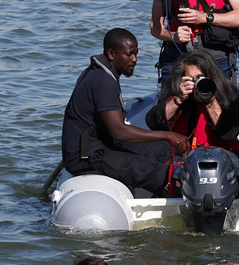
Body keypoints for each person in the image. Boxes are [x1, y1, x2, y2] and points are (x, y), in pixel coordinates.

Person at [60, 28, 186, 195]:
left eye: (136, 53)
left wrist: (166, 140)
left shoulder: (103, 72)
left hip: (102, 143)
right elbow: (118, 131)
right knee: (160, 173)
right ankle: (170, 199)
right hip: (87, 156)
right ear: (112, 54)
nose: (135, 59)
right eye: (129, 54)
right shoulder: (102, 81)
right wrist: (168, 135)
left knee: (163, 150)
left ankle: (166, 197)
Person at [145, 53, 239, 160]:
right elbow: (153, 123)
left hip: (220, 156)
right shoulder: (174, 92)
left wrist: (209, 101)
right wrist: (179, 99)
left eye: (200, 78)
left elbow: (229, 134)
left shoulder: (228, 94)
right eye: (190, 79)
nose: (196, 84)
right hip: (181, 156)